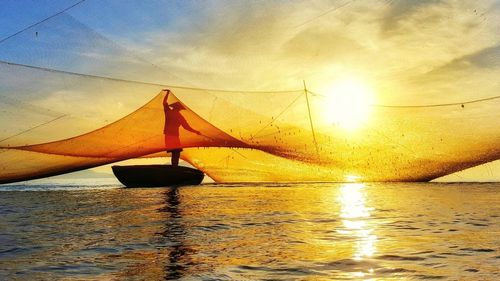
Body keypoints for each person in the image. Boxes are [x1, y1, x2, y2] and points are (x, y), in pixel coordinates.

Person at [163, 90, 201, 166]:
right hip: (174, 136)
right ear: (179, 108)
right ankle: (174, 167)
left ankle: (174, 166)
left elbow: (164, 103)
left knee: (175, 152)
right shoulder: (179, 116)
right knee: (176, 152)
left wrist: (167, 94)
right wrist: (196, 131)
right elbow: (186, 127)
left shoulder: (168, 112)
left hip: (168, 135)